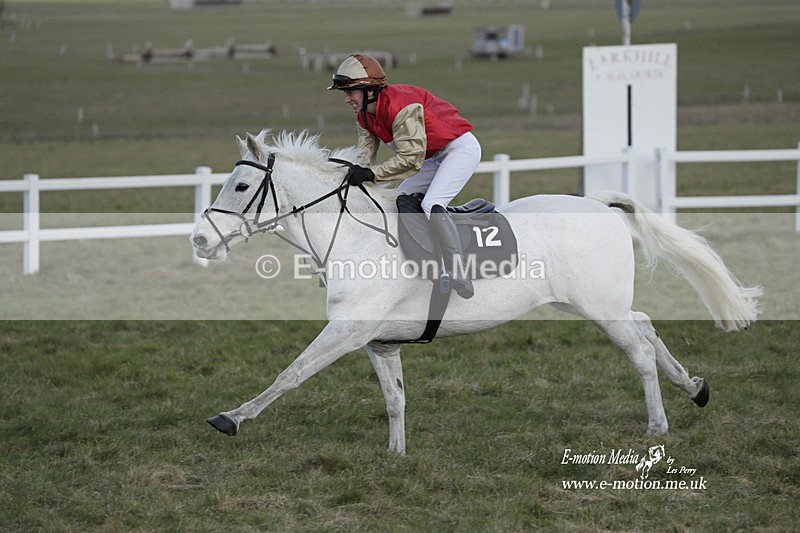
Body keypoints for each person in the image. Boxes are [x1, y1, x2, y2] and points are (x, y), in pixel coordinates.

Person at [327, 53, 481, 299]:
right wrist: (352, 174)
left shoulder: (402, 107)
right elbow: (365, 158)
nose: (346, 100)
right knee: (400, 199)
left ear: (369, 91)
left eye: (350, 93)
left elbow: (410, 160)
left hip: (459, 149)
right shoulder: (364, 115)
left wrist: (370, 174)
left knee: (432, 203)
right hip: (432, 157)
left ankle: (457, 270)